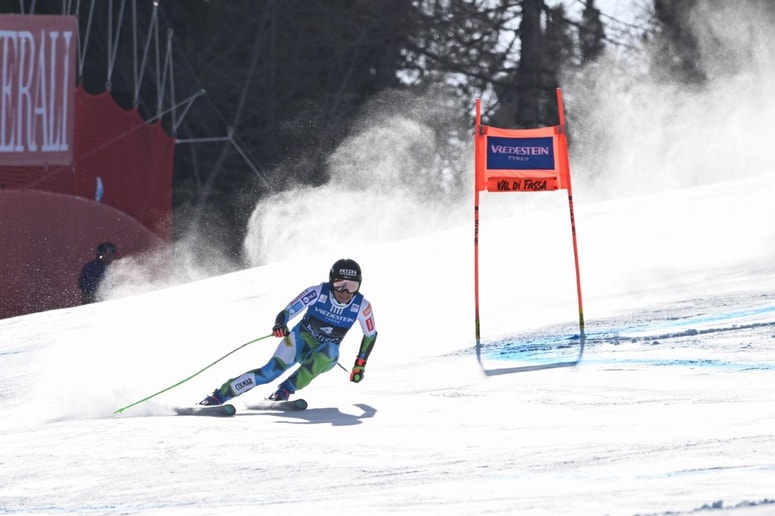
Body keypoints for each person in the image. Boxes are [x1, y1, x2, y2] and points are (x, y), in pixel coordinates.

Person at [199, 258, 378, 405]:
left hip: (322, 354)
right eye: (340, 284)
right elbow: (287, 312)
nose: (345, 292)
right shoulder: (317, 292)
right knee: (268, 373)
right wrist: (280, 324)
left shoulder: (362, 306)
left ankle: (285, 390)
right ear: (332, 281)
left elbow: (370, 334)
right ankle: (220, 395)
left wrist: (360, 364)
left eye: (352, 286)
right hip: (298, 342)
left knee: (331, 350)